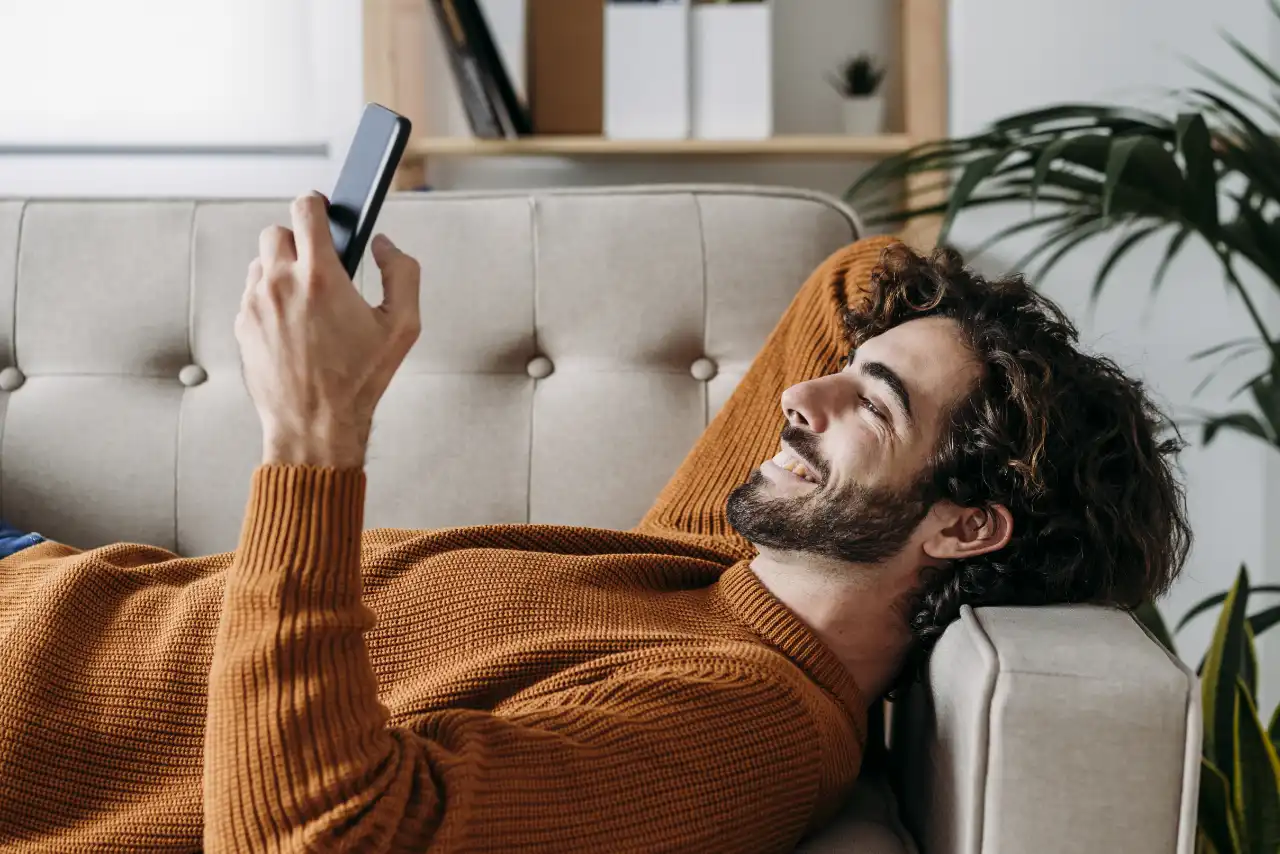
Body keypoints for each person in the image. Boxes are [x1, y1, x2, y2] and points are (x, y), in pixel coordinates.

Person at [0, 193, 1190, 854]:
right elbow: (859, 275)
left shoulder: (744, 726)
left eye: (867, 402)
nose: (798, 395)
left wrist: (312, 441)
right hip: (38, 573)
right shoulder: (730, 562)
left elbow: (318, 840)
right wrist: (949, 346)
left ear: (964, 527)